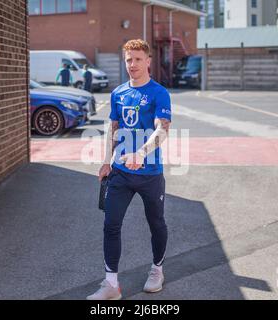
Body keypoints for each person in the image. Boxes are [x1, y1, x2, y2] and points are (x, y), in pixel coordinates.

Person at [87, 39, 172, 300]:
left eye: (137, 59)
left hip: (150, 174)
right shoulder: (118, 93)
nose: (132, 64)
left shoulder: (159, 93)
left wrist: (141, 152)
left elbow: (162, 129)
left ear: (148, 61)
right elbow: (113, 129)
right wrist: (106, 161)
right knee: (111, 224)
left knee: (155, 223)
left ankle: (157, 269)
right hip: (121, 174)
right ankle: (111, 284)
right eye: (128, 60)